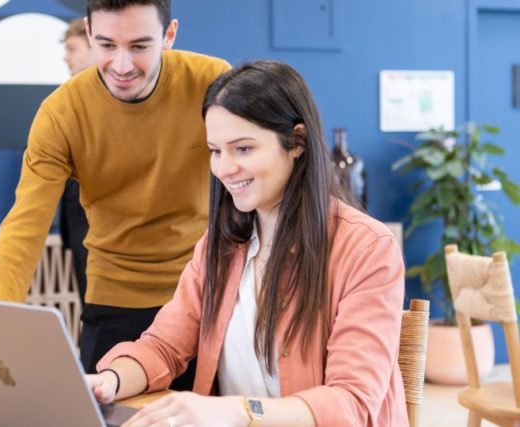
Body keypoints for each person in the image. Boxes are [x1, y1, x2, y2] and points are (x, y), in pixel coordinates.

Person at [87, 61, 407, 426]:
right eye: (215, 150)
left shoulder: (367, 249)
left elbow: (350, 403)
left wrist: (237, 410)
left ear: (297, 142)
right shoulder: (219, 246)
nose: (223, 169)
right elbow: (163, 345)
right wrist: (108, 381)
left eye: (242, 149)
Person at [0, 0, 230, 387]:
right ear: (88, 34)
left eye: (139, 46)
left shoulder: (211, 82)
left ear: (169, 36)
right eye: (106, 45)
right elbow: (23, 229)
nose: (121, 65)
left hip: (204, 295)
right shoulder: (61, 113)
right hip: (114, 297)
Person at [59, 18, 93, 307]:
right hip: (77, 226)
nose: (65, 56)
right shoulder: (66, 101)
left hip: (102, 229)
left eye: (72, 48)